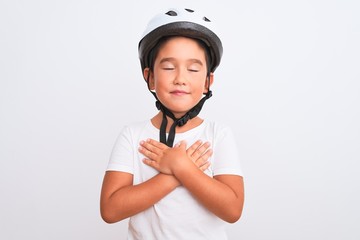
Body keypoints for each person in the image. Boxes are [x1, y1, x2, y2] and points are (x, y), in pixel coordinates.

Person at [100, 7, 245, 240]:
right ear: (150, 77)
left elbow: (232, 209)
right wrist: (176, 171)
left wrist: (181, 167)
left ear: (208, 81)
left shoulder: (218, 134)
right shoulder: (132, 135)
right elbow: (110, 209)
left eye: (193, 68)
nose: (180, 78)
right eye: (168, 67)